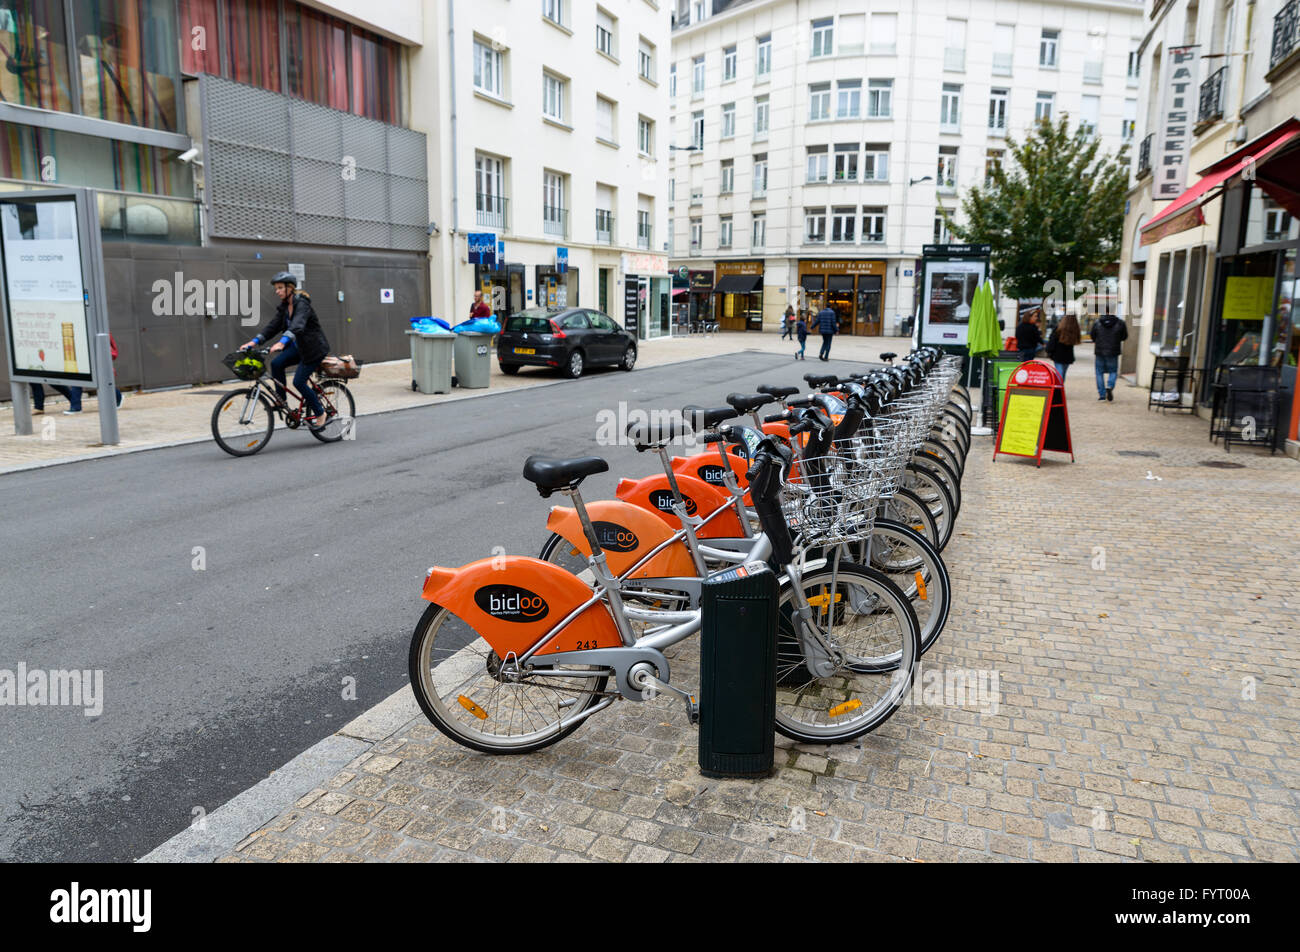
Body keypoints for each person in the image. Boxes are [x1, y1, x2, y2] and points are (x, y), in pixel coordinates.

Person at [240, 271, 331, 426]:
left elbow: (298, 325)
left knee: (299, 382)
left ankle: (320, 412)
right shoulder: (284, 308)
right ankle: (281, 400)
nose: (277, 291)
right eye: (276, 288)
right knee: (276, 364)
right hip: (299, 348)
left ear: (290, 288)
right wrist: (253, 342)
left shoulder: (302, 304)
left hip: (313, 350)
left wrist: (282, 342)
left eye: (280, 287)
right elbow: (272, 327)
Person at [30, 334, 124, 414]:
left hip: (94, 356)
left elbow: (109, 348)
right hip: (82, 355)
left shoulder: (99, 326)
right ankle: (75, 406)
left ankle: (118, 397)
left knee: (101, 381)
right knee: (79, 377)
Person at [1090, 309, 1129, 401]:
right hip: (1113, 351)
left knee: (1099, 372)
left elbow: (1093, 336)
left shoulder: (1097, 323)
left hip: (1100, 351)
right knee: (1113, 371)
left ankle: (1102, 395)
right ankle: (1110, 386)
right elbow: (1124, 337)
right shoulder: (1120, 323)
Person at [1046, 313, 1081, 381]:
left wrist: (1049, 351)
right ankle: (1060, 388)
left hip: (1058, 354)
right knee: (1063, 374)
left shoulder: (1058, 329)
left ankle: (1058, 389)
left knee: (1059, 373)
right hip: (1068, 356)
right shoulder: (1075, 331)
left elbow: (1052, 341)